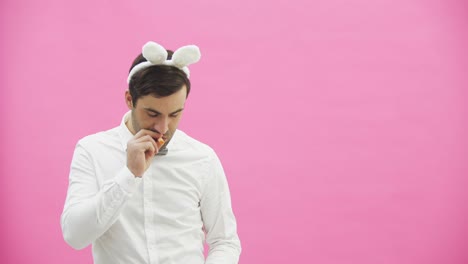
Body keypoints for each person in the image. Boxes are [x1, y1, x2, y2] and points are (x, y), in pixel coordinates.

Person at [60, 41, 241, 264]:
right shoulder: (92, 150)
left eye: (174, 114)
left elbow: (225, 241)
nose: (163, 127)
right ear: (129, 99)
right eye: (152, 114)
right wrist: (129, 176)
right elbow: (74, 236)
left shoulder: (202, 158)